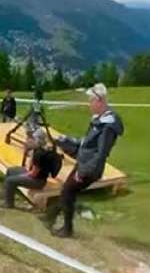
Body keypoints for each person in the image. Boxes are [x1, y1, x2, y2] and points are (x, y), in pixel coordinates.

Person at [44, 83, 124, 238]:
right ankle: (52, 218)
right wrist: (66, 140)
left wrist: (84, 172)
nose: (89, 104)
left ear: (99, 101)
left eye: (91, 101)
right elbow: (87, 143)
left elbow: (101, 153)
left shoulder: (107, 126)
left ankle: (66, 228)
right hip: (83, 163)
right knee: (67, 191)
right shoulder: (99, 120)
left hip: (89, 168)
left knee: (68, 191)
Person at [1, 127, 62, 209]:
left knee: (10, 180)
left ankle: (8, 204)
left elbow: (33, 173)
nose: (30, 140)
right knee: (10, 170)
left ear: (37, 140)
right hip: (36, 176)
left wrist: (21, 176)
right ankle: (6, 194)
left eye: (32, 138)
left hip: (37, 181)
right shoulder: (41, 150)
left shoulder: (39, 154)